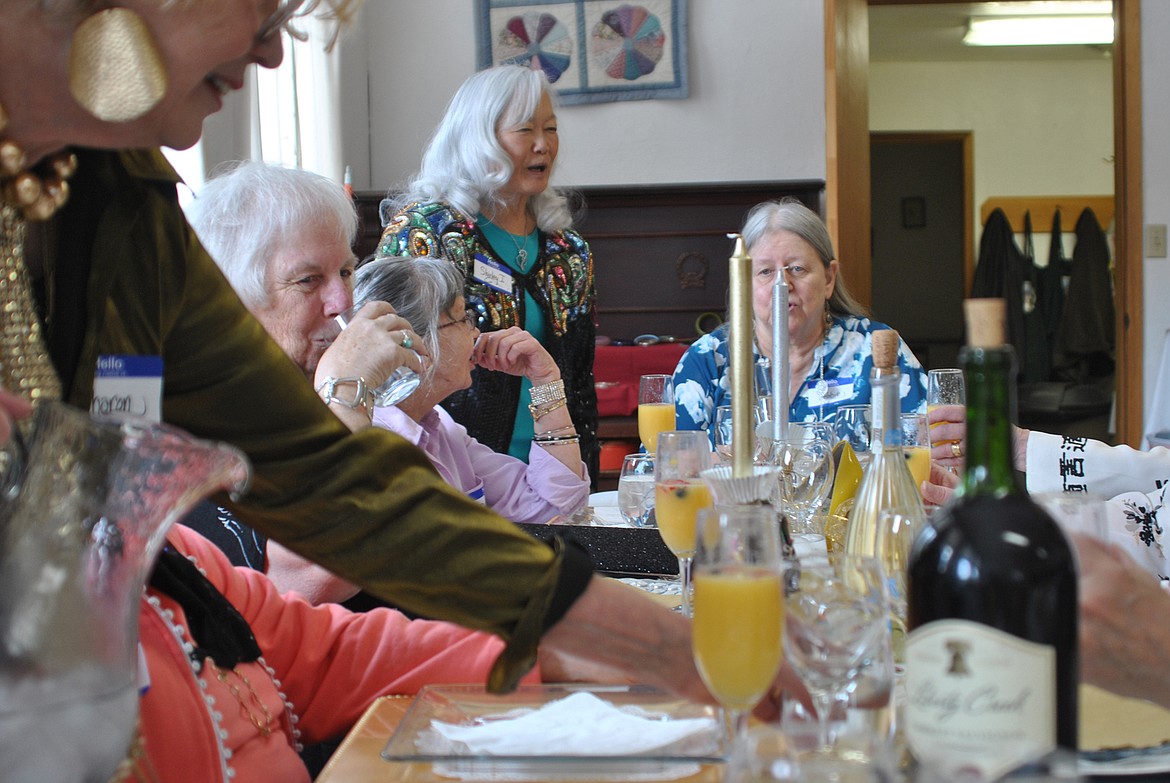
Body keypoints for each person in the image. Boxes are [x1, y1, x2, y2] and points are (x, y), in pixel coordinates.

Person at [0, 0, 716, 725]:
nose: (275, 56)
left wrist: (640, 639)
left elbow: (328, 499)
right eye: (263, 11)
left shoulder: (108, 178)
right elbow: (297, 566)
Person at [377, 65, 599, 482]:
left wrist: (584, 479)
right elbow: (395, 368)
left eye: (550, 129)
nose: (542, 145)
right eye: (524, 130)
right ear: (480, 139)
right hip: (455, 477)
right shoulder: (428, 232)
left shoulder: (568, 250)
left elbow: (580, 384)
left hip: (552, 478)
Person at [673, 198, 928, 447]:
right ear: (744, 284)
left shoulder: (875, 349)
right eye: (765, 271)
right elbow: (659, 468)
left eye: (796, 268)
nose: (782, 285)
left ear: (829, 279)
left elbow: (925, 452)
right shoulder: (707, 360)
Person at [357, 254, 590, 524]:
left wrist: (546, 380)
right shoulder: (373, 442)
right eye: (463, 318)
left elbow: (552, 511)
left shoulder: (441, 427)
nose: (476, 332)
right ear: (413, 341)